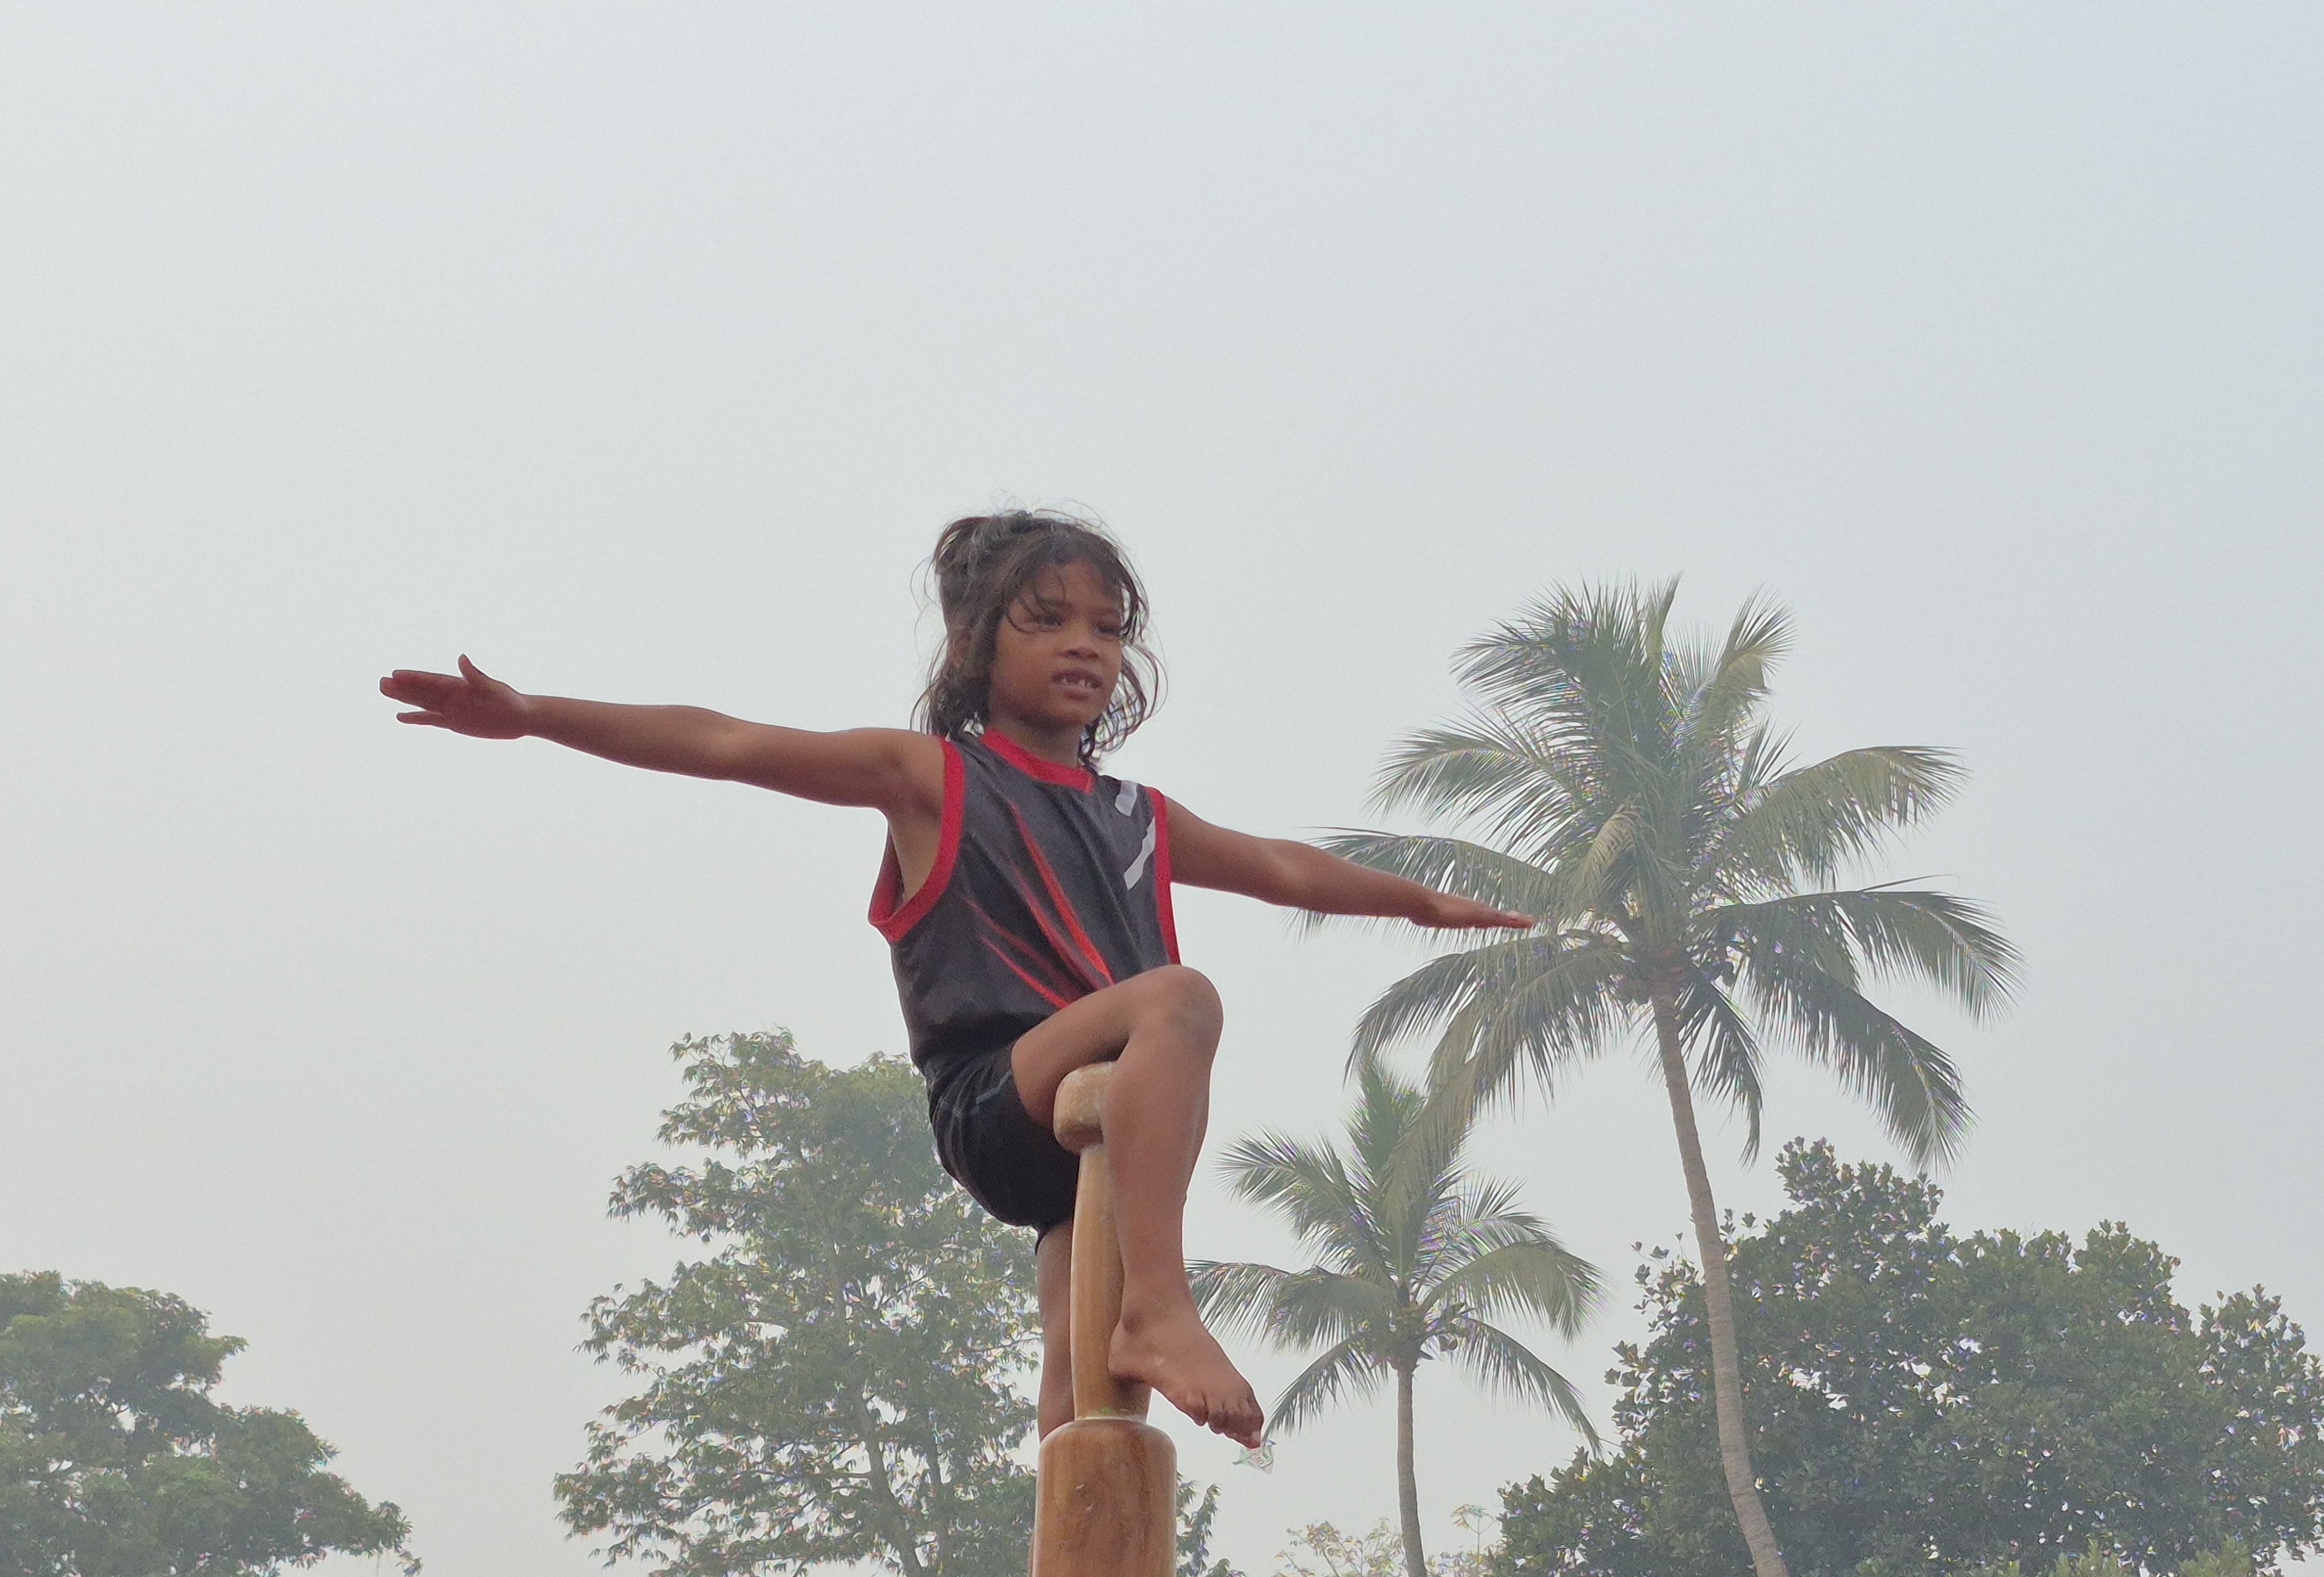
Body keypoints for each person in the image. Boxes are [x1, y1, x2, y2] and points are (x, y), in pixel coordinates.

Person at [380, 511, 1525, 1452]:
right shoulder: (931, 777)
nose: (1085, 646)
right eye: (1048, 620)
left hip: (1097, 1140)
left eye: (1108, 628)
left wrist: (1422, 903)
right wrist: (533, 716)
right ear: (979, 642)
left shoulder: (1138, 817)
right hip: (995, 1099)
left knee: (1082, 1408)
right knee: (1180, 997)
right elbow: (726, 742)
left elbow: (1281, 868)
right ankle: (1161, 1306)